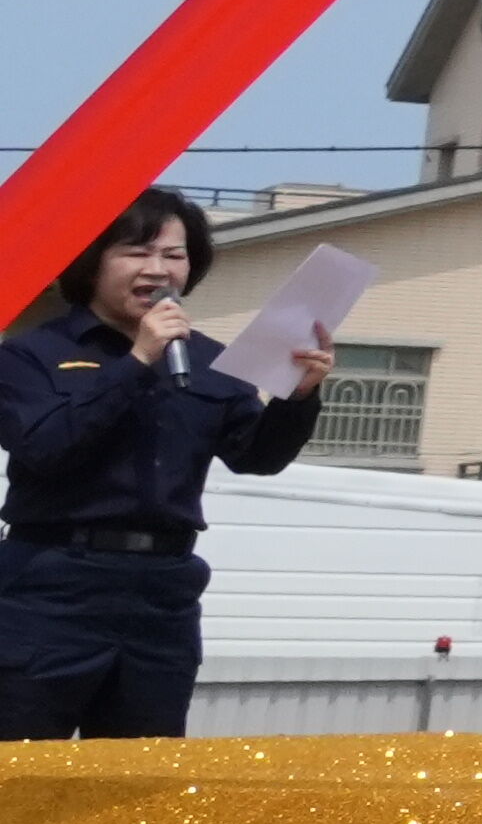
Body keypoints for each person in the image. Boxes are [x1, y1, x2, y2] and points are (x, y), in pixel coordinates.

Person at [0, 191, 322, 742]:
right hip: (52, 587)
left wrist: (300, 396)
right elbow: (44, 447)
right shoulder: (28, 354)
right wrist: (138, 361)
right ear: (91, 261)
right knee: (22, 775)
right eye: (135, 252)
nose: (157, 269)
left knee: (139, 777)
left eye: (174, 255)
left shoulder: (211, 360)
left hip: (163, 595)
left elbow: (257, 457)